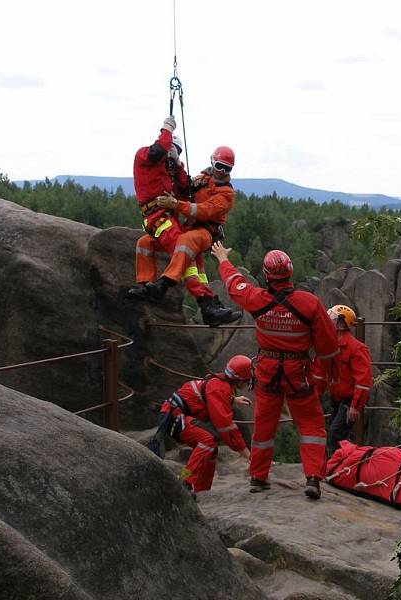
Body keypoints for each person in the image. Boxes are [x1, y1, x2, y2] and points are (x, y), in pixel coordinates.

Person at [211, 241, 340, 500]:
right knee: (312, 424)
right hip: (298, 373)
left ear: (267, 275)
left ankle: (258, 477)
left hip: (268, 373)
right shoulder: (309, 304)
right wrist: (321, 375)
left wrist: (222, 258)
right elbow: (328, 347)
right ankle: (313, 477)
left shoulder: (257, 299)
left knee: (264, 425)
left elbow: (235, 284)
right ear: (290, 272)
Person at [126, 115, 241, 327]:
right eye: (219, 165)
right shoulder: (194, 177)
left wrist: (175, 202)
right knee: (146, 244)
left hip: (204, 230)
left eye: (227, 168)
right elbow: (184, 187)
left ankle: (164, 285)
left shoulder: (226, 194)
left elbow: (203, 210)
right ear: (212, 162)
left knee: (185, 245)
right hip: (171, 222)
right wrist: (176, 163)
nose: (222, 171)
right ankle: (151, 286)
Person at [156, 354, 253, 496]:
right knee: (207, 441)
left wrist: (232, 400)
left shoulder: (220, 384)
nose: (248, 382)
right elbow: (226, 427)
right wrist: (246, 453)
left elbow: (211, 398)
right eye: (247, 380)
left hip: (175, 415)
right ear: (240, 380)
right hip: (174, 417)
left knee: (211, 449)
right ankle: (183, 481)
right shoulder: (219, 388)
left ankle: (202, 491)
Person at [312, 305, 373, 454]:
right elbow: (319, 374)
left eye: (331, 319)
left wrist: (355, 406)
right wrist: (313, 397)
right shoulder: (327, 346)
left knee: (336, 432)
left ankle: (339, 466)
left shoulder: (356, 349)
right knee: (337, 434)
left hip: (349, 399)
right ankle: (338, 465)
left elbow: (363, 381)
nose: (327, 321)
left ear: (341, 324)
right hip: (336, 398)